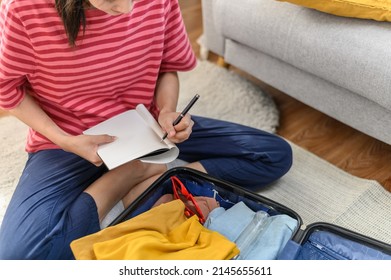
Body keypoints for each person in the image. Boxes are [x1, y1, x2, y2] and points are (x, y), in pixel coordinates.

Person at [0, 0, 292, 260]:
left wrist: (167, 112)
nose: (128, 9)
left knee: (274, 154)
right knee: (18, 258)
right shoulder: (25, 9)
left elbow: (168, 65)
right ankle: (135, 173)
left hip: (150, 129)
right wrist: (66, 140)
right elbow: (7, 88)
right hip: (69, 139)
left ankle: (158, 180)